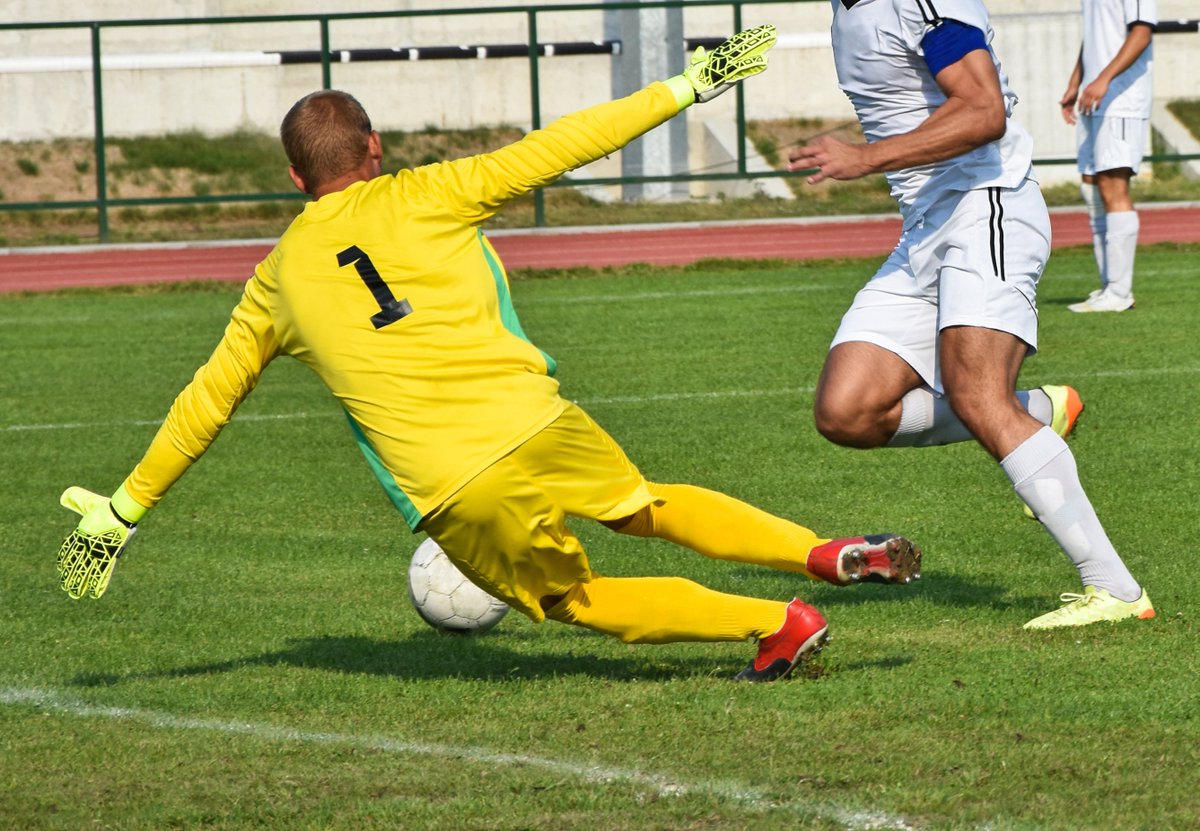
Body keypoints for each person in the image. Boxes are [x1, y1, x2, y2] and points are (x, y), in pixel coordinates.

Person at [54, 26, 922, 684]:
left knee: (579, 600)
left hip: (456, 483)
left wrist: (124, 510)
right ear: (374, 151)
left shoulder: (273, 281)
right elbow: (566, 143)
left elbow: (209, 400)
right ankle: (816, 550)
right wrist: (691, 81)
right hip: (538, 420)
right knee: (646, 505)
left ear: (293, 179)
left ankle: (780, 619)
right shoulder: (434, 190)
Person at [787, 0, 1153, 628]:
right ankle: (1040, 412)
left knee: (980, 396)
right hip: (923, 230)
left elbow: (984, 111)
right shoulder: (847, 10)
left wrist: (862, 158)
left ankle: (1116, 591)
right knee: (846, 411)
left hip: (989, 209)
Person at [1059, 0, 1156, 313]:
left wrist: (1103, 79)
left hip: (1121, 98)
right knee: (1091, 186)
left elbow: (1141, 34)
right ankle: (1107, 288)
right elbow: (1093, 36)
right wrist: (1077, 81)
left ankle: (1119, 292)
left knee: (1114, 186)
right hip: (1093, 95)